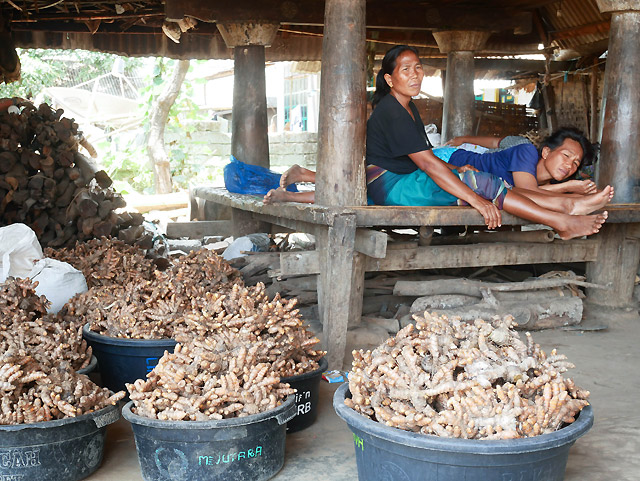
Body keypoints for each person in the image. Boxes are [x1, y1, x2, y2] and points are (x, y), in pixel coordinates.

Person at [266, 45, 609, 239]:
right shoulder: (392, 110)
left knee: (472, 177)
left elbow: (428, 157)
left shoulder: (405, 107)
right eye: (405, 70)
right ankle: (561, 219)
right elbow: (428, 164)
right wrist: (476, 198)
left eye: (418, 68)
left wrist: (457, 171)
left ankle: (564, 212)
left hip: (386, 180)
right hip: (393, 185)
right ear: (389, 78)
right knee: (481, 183)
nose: (415, 74)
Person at [442, 127, 599, 195]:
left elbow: (528, 191)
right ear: (546, 152)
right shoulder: (526, 150)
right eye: (566, 155)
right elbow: (527, 192)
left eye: (575, 163)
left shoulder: (546, 186)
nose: (569, 165)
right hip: (449, 160)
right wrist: (462, 139)